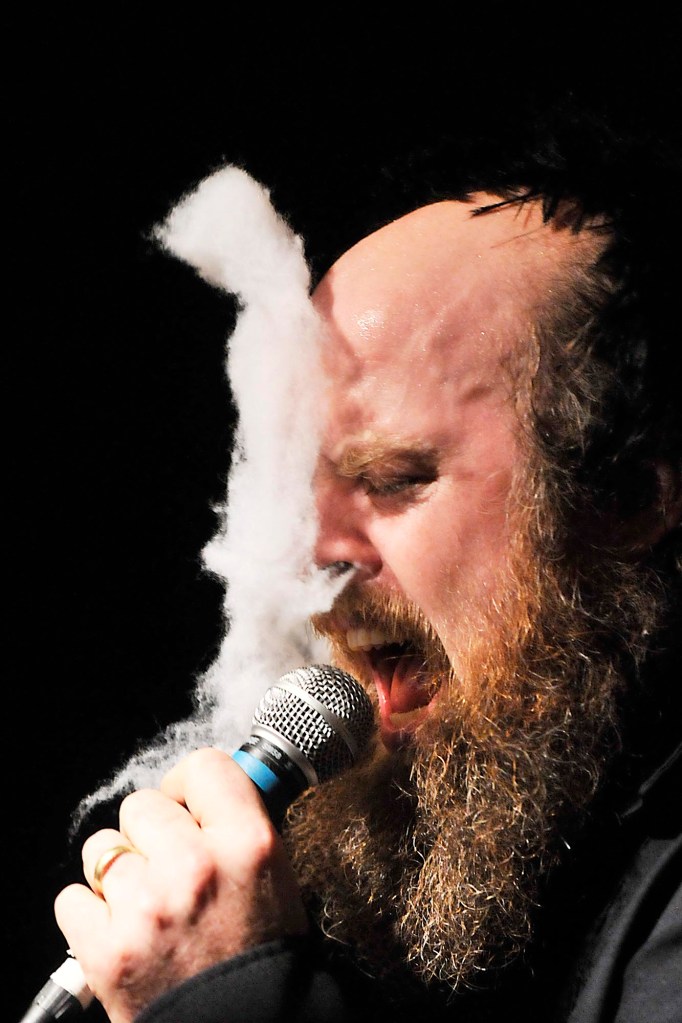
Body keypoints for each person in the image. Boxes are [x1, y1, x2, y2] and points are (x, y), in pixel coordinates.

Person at [53, 137, 681, 1022]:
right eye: (294, 493)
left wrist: (231, 998)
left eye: (390, 478)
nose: (311, 557)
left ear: (623, 497)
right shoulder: (440, 892)